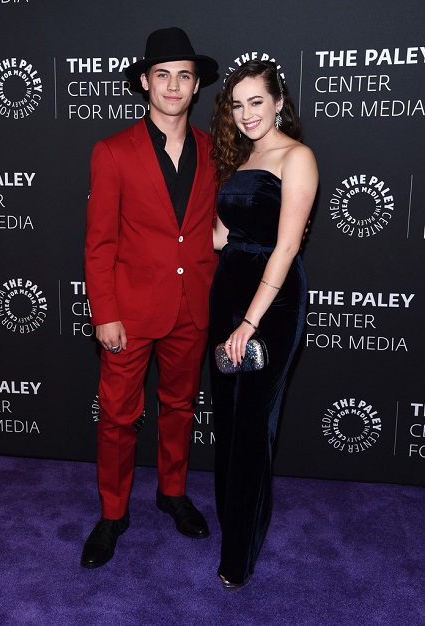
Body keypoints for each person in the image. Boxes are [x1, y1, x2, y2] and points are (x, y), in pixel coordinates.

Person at [81, 27, 219, 569]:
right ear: (145, 82)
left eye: (184, 76)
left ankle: (172, 492)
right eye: (162, 75)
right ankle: (113, 514)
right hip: (130, 312)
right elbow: (99, 242)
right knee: (117, 416)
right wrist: (104, 314)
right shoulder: (112, 152)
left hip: (192, 305)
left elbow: (207, 227)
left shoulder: (214, 151)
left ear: (195, 86)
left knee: (180, 407)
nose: (173, 85)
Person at [209, 59, 318, 589]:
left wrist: (249, 322)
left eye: (257, 102)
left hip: (271, 304)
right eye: (237, 104)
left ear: (278, 101)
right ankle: (233, 522)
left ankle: (238, 558)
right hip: (227, 291)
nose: (247, 114)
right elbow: (218, 236)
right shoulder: (237, 156)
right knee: (226, 421)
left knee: (253, 424)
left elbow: (288, 244)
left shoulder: (297, 157)